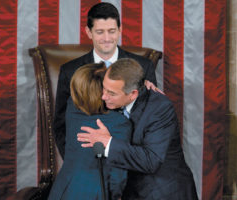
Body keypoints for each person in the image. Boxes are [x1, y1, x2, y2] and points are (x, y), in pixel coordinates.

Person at [77, 58, 198, 200]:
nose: (104, 96)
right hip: (128, 191)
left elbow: (151, 160)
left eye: (112, 93)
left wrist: (108, 143)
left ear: (133, 94)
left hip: (162, 192)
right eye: (104, 88)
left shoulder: (159, 108)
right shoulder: (114, 95)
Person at [54, 2, 160, 158]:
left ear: (120, 30)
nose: (106, 38)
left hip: (132, 160)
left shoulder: (144, 67)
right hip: (87, 160)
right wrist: (74, 160)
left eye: (111, 31)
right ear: (88, 32)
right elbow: (61, 125)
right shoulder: (70, 71)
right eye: (99, 32)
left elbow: (150, 122)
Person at [48, 62, 132, 200]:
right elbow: (118, 174)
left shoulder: (72, 107)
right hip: (97, 193)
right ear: (103, 92)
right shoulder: (120, 124)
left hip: (62, 190)